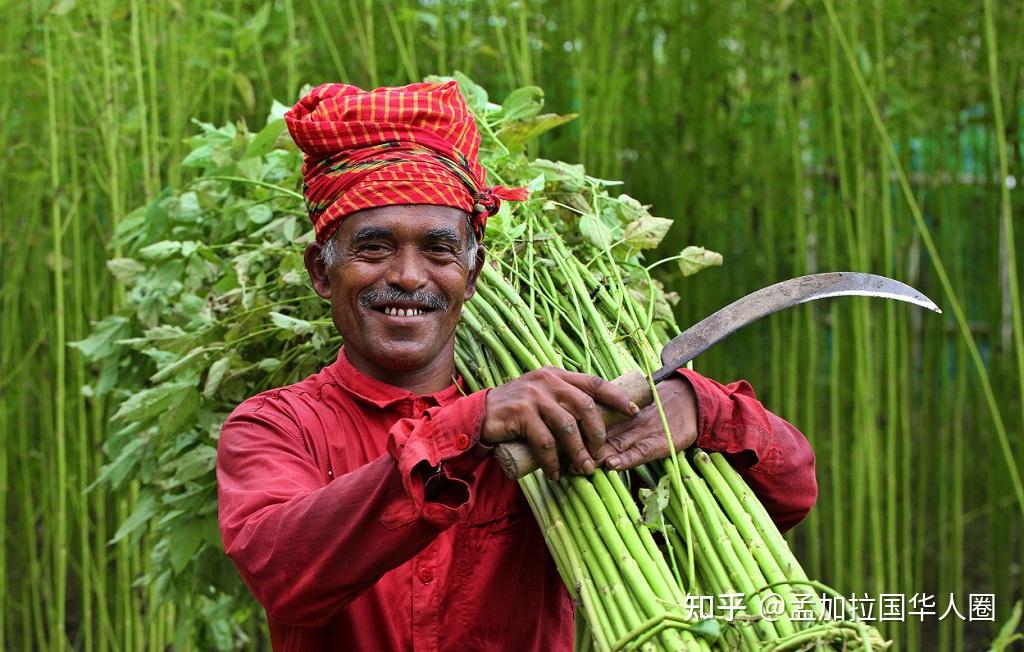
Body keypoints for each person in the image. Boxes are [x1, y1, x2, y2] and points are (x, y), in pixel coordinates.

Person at [216, 80, 817, 652]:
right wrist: (464, 430)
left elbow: (789, 494)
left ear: (471, 276)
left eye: (438, 249)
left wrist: (702, 409)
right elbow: (282, 569)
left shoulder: (558, 419)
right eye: (373, 247)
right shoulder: (275, 426)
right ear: (322, 272)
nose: (406, 275)